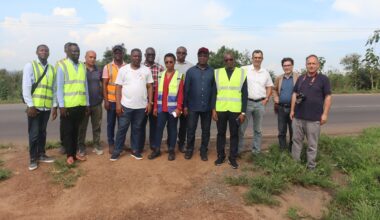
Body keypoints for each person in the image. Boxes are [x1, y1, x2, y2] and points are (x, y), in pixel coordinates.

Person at [110, 48, 153, 161]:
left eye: (138, 56)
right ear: (131, 56)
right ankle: (117, 151)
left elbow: (149, 87)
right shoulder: (124, 70)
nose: (137, 58)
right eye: (134, 56)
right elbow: (118, 87)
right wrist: (118, 105)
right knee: (122, 129)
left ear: (141, 57)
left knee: (137, 129)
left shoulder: (146, 70)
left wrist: (150, 103)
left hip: (141, 107)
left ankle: (135, 151)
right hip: (126, 106)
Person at [290, 55, 332, 170]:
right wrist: (292, 110)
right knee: (296, 142)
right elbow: (294, 94)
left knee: (312, 144)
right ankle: (295, 165)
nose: (311, 66)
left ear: (318, 65)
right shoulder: (301, 78)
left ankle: (311, 167)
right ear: (306, 65)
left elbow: (328, 97)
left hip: (314, 118)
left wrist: (325, 114)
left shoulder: (323, 79)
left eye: (314, 63)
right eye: (309, 63)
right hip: (298, 117)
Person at [22, 44, 57, 170]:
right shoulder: (30, 66)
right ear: (37, 52)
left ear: (49, 53)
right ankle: (32, 158)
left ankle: (41, 154)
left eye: (46, 50)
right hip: (34, 108)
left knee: (42, 132)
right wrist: (30, 105)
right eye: (41, 50)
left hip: (46, 107)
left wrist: (54, 106)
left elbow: (53, 89)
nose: (44, 52)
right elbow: (26, 87)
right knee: (34, 134)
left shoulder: (52, 69)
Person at [212, 52, 248, 169]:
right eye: (226, 60)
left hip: (235, 110)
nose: (228, 62)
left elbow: (244, 94)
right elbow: (214, 93)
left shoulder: (242, 73)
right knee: (220, 134)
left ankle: (232, 158)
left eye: (230, 59)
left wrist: (243, 112)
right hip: (221, 109)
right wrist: (213, 109)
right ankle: (221, 156)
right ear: (224, 61)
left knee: (234, 135)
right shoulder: (217, 73)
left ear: (234, 60)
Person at [56, 43, 90, 165]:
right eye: (73, 51)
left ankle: (74, 154)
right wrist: (61, 105)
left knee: (76, 131)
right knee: (68, 131)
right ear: (68, 52)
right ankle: (69, 155)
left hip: (80, 105)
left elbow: (85, 85)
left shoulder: (82, 65)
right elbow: (59, 87)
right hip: (68, 106)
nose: (76, 53)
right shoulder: (62, 65)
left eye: (78, 51)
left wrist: (87, 104)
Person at [148, 53, 184, 161]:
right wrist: (155, 107)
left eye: (171, 62)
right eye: (167, 62)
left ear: (174, 62)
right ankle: (157, 150)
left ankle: (171, 150)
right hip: (161, 109)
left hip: (173, 109)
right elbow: (156, 93)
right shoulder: (160, 75)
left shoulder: (179, 76)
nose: (169, 64)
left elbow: (181, 94)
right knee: (158, 129)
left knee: (172, 129)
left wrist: (179, 108)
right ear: (165, 63)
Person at [238, 50, 273, 154]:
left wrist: (266, 98)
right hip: (247, 103)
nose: (257, 59)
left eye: (259, 57)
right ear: (252, 58)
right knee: (241, 129)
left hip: (260, 104)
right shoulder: (244, 69)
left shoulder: (265, 72)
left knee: (258, 130)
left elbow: (269, 86)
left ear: (262, 59)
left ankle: (256, 151)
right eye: (255, 57)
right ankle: (238, 151)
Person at [183, 47, 214, 161]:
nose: (202, 57)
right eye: (200, 55)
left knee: (206, 131)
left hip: (207, 107)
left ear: (208, 57)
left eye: (205, 55)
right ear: (197, 56)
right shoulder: (190, 71)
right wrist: (185, 106)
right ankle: (189, 149)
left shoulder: (212, 72)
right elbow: (186, 90)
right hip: (192, 107)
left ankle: (203, 151)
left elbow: (214, 91)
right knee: (191, 130)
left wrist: (213, 107)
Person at [77, 50, 103, 156]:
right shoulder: (80, 69)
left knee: (97, 126)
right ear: (85, 57)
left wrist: (101, 96)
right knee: (82, 127)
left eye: (94, 57)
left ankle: (96, 145)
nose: (92, 59)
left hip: (97, 104)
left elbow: (102, 83)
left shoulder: (98, 70)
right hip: (84, 104)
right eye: (90, 57)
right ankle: (81, 147)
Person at [103, 45, 126, 154]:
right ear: (113, 54)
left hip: (124, 101)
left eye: (120, 52)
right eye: (116, 52)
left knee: (122, 125)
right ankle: (111, 144)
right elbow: (104, 84)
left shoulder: (127, 67)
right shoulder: (107, 67)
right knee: (111, 124)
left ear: (123, 53)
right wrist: (106, 100)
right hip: (111, 101)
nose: (118, 54)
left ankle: (120, 143)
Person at [273, 57, 299, 152]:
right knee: (281, 131)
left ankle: (293, 151)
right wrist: (275, 97)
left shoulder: (298, 77)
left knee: (294, 131)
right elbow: (274, 89)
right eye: (285, 65)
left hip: (294, 109)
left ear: (292, 66)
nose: (287, 67)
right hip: (281, 108)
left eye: (288, 65)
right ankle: (283, 151)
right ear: (282, 67)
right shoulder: (279, 78)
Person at [141, 47, 164, 152]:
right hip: (142, 98)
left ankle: (153, 144)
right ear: (145, 55)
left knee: (154, 124)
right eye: (149, 54)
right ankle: (139, 145)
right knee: (141, 123)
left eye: (153, 55)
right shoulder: (140, 67)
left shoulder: (160, 68)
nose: (151, 56)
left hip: (156, 99)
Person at [175, 46, 193, 153]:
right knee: (172, 123)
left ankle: (181, 143)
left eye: (183, 53)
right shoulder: (171, 65)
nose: (181, 54)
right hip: (173, 101)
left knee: (184, 124)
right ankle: (171, 143)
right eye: (179, 52)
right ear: (176, 53)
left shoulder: (190, 66)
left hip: (186, 100)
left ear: (186, 54)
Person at [57, 42, 71, 155]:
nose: (69, 51)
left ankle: (73, 145)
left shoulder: (79, 64)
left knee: (76, 126)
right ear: (65, 50)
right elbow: (57, 84)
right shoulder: (60, 64)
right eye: (67, 49)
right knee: (64, 125)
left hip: (76, 101)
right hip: (64, 102)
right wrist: (58, 103)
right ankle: (63, 145)